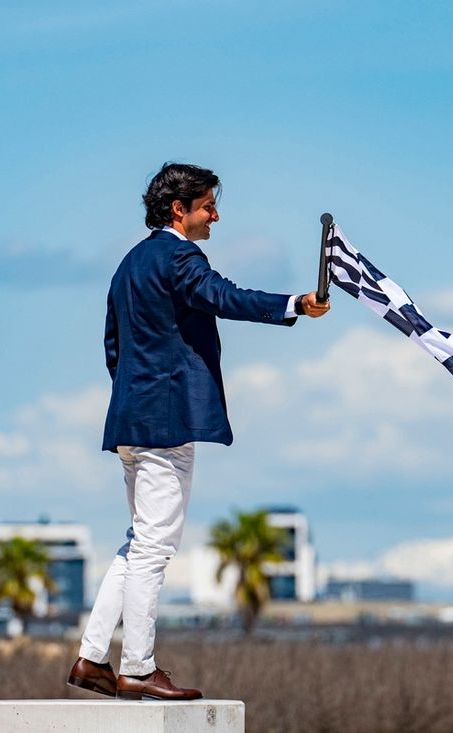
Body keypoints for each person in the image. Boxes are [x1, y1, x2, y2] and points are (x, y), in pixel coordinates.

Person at [66, 163, 329, 700]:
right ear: (177, 210)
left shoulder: (129, 264)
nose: (216, 214)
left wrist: (138, 400)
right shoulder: (178, 255)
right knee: (153, 549)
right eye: (208, 205)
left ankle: (93, 659)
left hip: (131, 423)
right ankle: (138, 668)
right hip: (164, 425)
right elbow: (222, 297)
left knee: (138, 544)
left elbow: (113, 346)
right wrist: (294, 304)